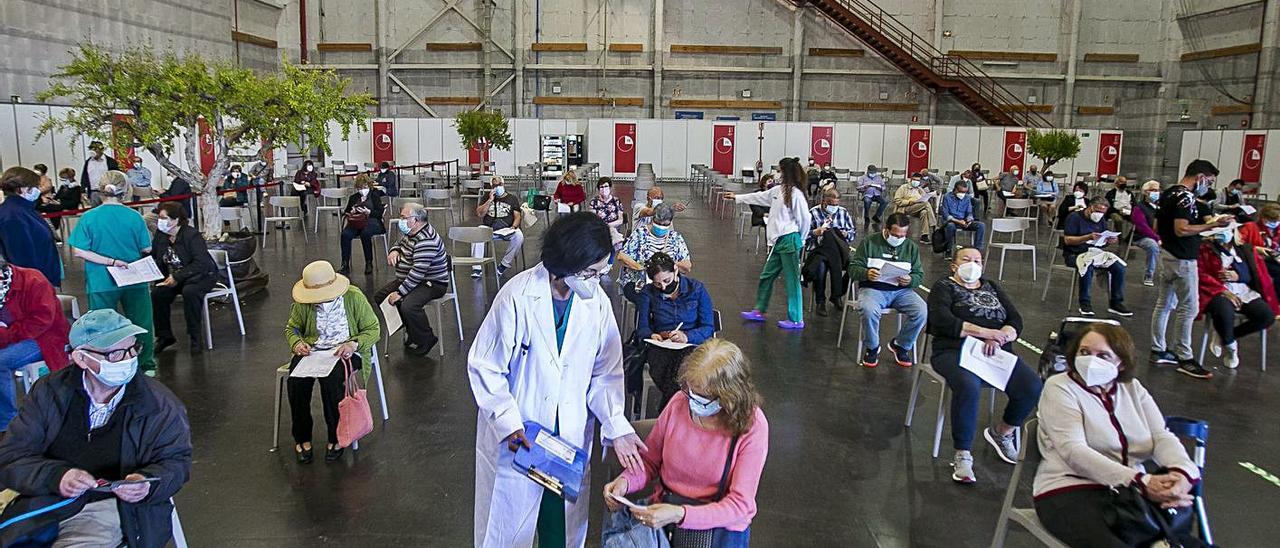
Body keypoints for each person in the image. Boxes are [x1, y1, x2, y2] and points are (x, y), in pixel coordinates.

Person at [467, 212, 645, 548]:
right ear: (567, 261)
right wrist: (508, 423)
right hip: (521, 436)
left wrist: (616, 425)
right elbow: (485, 366)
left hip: (568, 442)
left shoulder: (597, 305)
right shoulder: (517, 297)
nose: (596, 280)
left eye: (600, 271)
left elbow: (605, 373)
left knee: (560, 529)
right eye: (590, 272)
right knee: (507, 528)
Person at [0, 308, 192, 547]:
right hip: (42, 500)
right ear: (81, 358)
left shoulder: (158, 404)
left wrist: (147, 482)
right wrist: (57, 476)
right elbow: (11, 455)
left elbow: (177, 462)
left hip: (107, 507)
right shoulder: (49, 392)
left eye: (133, 349)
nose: (129, 360)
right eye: (115, 354)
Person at [1034, 324, 1200, 547]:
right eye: (1084, 352)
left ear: (1121, 362)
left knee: (1180, 543)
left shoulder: (1132, 388)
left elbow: (1161, 436)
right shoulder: (1059, 387)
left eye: (1103, 355)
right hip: (1070, 490)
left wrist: (1182, 474)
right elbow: (1073, 450)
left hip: (1129, 492)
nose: (1091, 360)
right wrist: (1141, 481)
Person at [603, 339, 768, 544]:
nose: (693, 402)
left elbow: (740, 505)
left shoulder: (752, 425)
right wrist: (625, 482)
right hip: (665, 518)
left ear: (729, 397)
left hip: (716, 531)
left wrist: (680, 514)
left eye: (702, 397)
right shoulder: (679, 403)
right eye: (690, 391)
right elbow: (649, 461)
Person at [927, 248, 1043, 484]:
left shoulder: (991, 286)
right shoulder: (943, 287)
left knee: (1031, 386)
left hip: (994, 351)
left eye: (977, 260)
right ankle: (963, 453)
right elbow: (942, 320)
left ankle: (1002, 432)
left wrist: (1000, 336)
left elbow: (1015, 319)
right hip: (954, 351)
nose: (972, 264)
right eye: (966, 260)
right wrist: (983, 332)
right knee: (968, 386)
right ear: (954, 265)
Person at [285, 260, 381, 464]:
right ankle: (301, 437)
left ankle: (336, 436)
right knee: (296, 383)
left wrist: (354, 344)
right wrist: (297, 344)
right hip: (313, 351)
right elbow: (292, 328)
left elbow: (373, 329)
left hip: (345, 351)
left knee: (333, 382)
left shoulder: (353, 297)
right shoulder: (303, 303)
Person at [1151, 160, 1232, 379]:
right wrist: (1212, 225)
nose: (1208, 186)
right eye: (1209, 181)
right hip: (1182, 258)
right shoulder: (1185, 197)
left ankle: (1158, 348)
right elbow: (1182, 229)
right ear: (1200, 177)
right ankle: (1184, 357)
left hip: (1166, 254)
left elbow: (1157, 227)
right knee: (1188, 308)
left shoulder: (1167, 194)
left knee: (1164, 304)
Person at [732, 159, 812, 329]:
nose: (777, 174)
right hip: (779, 241)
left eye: (780, 171)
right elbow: (759, 197)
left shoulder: (796, 194)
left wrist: (802, 239)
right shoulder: (778, 190)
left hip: (790, 240)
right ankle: (759, 309)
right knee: (767, 276)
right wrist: (737, 197)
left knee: (792, 281)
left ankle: (796, 319)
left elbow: (805, 219)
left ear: (786, 172)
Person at [0, 255, 71, 430]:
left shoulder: (33, 279)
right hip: (13, 335)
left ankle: (7, 423)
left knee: (1, 362)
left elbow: (42, 321)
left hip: (46, 338)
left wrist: (6, 334)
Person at [634, 252, 716, 405]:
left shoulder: (696, 289)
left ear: (675, 270)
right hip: (662, 345)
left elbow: (708, 328)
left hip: (691, 344)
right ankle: (676, 408)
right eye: (658, 284)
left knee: (684, 365)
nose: (663, 286)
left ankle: (668, 407)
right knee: (666, 366)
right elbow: (642, 327)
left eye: (667, 280)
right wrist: (652, 335)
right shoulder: (648, 292)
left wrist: (686, 336)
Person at [848, 213, 926, 368]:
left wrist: (911, 280)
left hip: (901, 291)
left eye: (903, 235)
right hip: (873, 289)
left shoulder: (911, 247)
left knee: (922, 311)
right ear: (886, 229)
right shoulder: (869, 243)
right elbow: (852, 269)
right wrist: (866, 273)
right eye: (895, 234)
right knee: (868, 309)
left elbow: (919, 275)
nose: (898, 238)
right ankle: (872, 346)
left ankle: (901, 345)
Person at [373, 203, 451, 357]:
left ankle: (426, 339)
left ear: (415, 220)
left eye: (404, 217)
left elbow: (418, 273)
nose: (400, 220)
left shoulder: (426, 240)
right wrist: (394, 251)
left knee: (409, 305)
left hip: (431, 283)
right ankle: (410, 328)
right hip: (411, 279)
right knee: (380, 297)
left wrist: (400, 293)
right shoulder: (411, 233)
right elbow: (398, 243)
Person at [1196, 227, 1279, 369]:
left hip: (1243, 290)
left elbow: (1251, 274)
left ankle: (1226, 336)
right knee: (1224, 311)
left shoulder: (1243, 250)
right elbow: (1200, 273)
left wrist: (1238, 276)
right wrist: (1222, 290)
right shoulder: (1204, 249)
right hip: (1216, 290)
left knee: (1266, 316)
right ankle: (1231, 346)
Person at [149, 202, 216, 357]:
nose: (160, 221)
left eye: (164, 218)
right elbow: (155, 257)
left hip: (200, 276)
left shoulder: (191, 235)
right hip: (174, 277)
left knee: (190, 292)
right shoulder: (161, 236)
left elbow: (202, 263)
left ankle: (195, 336)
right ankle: (164, 336)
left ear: (176, 219)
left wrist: (177, 276)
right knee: (158, 294)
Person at [1062, 197, 1133, 317]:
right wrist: (1088, 237)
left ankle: (1116, 302)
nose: (1100, 214)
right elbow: (1068, 240)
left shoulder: (1101, 221)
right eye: (1098, 211)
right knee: (1087, 266)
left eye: (1103, 212)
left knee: (1119, 267)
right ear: (1090, 208)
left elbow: (1101, 240)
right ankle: (1085, 303)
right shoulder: (1074, 217)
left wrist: (1108, 240)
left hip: (1095, 252)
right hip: (1074, 253)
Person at [0, 167, 63, 287]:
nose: (38, 190)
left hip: (40, 277)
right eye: (35, 186)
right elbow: (21, 256)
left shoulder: (24, 209)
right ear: (22, 188)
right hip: (32, 283)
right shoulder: (13, 215)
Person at [617, 204, 692, 303]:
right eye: (658, 223)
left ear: (670, 223)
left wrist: (668, 265)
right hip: (640, 283)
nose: (661, 227)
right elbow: (622, 256)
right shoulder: (640, 234)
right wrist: (640, 266)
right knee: (648, 300)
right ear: (653, 220)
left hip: (666, 284)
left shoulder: (676, 238)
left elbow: (687, 266)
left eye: (665, 225)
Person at [804, 187, 856, 316]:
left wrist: (845, 234)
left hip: (839, 251)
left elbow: (852, 233)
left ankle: (837, 295)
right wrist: (815, 232)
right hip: (819, 251)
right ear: (823, 201)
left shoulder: (843, 213)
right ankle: (820, 301)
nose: (834, 207)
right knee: (820, 268)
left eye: (836, 204)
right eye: (831, 204)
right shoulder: (813, 213)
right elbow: (803, 235)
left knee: (854, 267)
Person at [472, 175, 524, 278]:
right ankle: (477, 268)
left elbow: (517, 216)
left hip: (507, 228)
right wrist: (489, 201)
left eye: (499, 185)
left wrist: (513, 227)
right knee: (477, 233)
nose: (497, 187)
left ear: (503, 184)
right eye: (495, 185)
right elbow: (479, 214)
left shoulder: (512, 198)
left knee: (519, 236)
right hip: (489, 228)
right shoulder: (486, 197)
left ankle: (503, 265)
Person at [338, 174, 387, 276]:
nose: (362, 190)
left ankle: (369, 262)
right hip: (356, 222)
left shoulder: (374, 196)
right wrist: (351, 211)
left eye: (364, 187)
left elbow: (379, 213)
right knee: (345, 234)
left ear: (369, 186)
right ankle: (345, 263)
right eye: (360, 188)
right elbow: (346, 212)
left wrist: (369, 212)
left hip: (372, 222)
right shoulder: (353, 197)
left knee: (365, 234)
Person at [1239, 201, 1280, 302]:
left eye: (1276, 220)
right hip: (1255, 260)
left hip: (1274, 259)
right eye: (1271, 220)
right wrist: (1256, 248)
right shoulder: (1250, 227)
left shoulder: (1278, 230)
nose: (1274, 223)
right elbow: (1238, 243)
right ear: (1263, 218)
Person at [939, 180, 987, 255]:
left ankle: (977, 250)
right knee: (950, 226)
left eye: (965, 192)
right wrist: (958, 221)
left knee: (981, 225)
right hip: (951, 221)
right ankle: (948, 250)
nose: (963, 194)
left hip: (964, 220)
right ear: (955, 190)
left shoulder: (967, 198)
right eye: (961, 191)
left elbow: (969, 212)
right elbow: (946, 215)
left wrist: (969, 219)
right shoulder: (947, 197)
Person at [891, 173, 937, 244]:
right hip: (905, 208)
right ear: (911, 179)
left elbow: (924, 198)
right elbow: (897, 200)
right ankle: (934, 225)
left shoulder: (919, 189)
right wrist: (908, 202)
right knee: (926, 204)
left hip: (917, 208)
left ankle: (924, 236)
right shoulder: (903, 188)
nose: (916, 182)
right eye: (914, 180)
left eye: (918, 180)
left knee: (924, 212)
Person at [1133, 180, 1163, 286]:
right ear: (1145, 192)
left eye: (1158, 190)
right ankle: (1149, 275)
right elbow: (1143, 227)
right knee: (1153, 246)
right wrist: (1157, 238)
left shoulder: (1161, 207)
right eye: (1153, 190)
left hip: (1160, 236)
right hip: (1142, 237)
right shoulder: (1139, 207)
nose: (1157, 192)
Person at [589, 177, 626, 250]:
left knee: (612, 234)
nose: (604, 189)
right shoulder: (594, 202)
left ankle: (610, 257)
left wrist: (609, 225)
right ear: (599, 189)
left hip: (613, 226)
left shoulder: (616, 201)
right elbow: (592, 219)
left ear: (610, 188)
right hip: (599, 228)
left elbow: (621, 219)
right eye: (601, 187)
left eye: (606, 186)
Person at [856, 164, 888, 228]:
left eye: (874, 173)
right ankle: (866, 216)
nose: (872, 174)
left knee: (885, 201)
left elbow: (884, 187)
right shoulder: (863, 178)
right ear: (868, 171)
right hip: (867, 194)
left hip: (877, 194)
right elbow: (858, 188)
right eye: (871, 172)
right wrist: (865, 187)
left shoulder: (879, 178)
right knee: (867, 201)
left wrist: (880, 188)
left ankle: (876, 216)